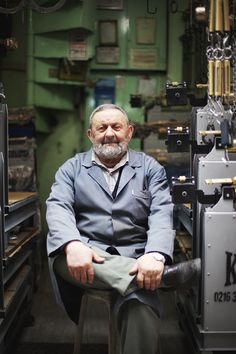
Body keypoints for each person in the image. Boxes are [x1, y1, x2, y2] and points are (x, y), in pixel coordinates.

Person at [46, 103, 200, 354]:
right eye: (101, 127)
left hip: (137, 256)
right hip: (84, 258)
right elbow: (57, 206)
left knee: (140, 305)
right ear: (90, 135)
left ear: (129, 132)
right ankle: (164, 278)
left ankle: (150, 276)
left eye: (116, 127)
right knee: (62, 256)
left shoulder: (150, 168)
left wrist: (155, 255)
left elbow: (162, 212)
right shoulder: (71, 168)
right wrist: (72, 245)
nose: (109, 133)